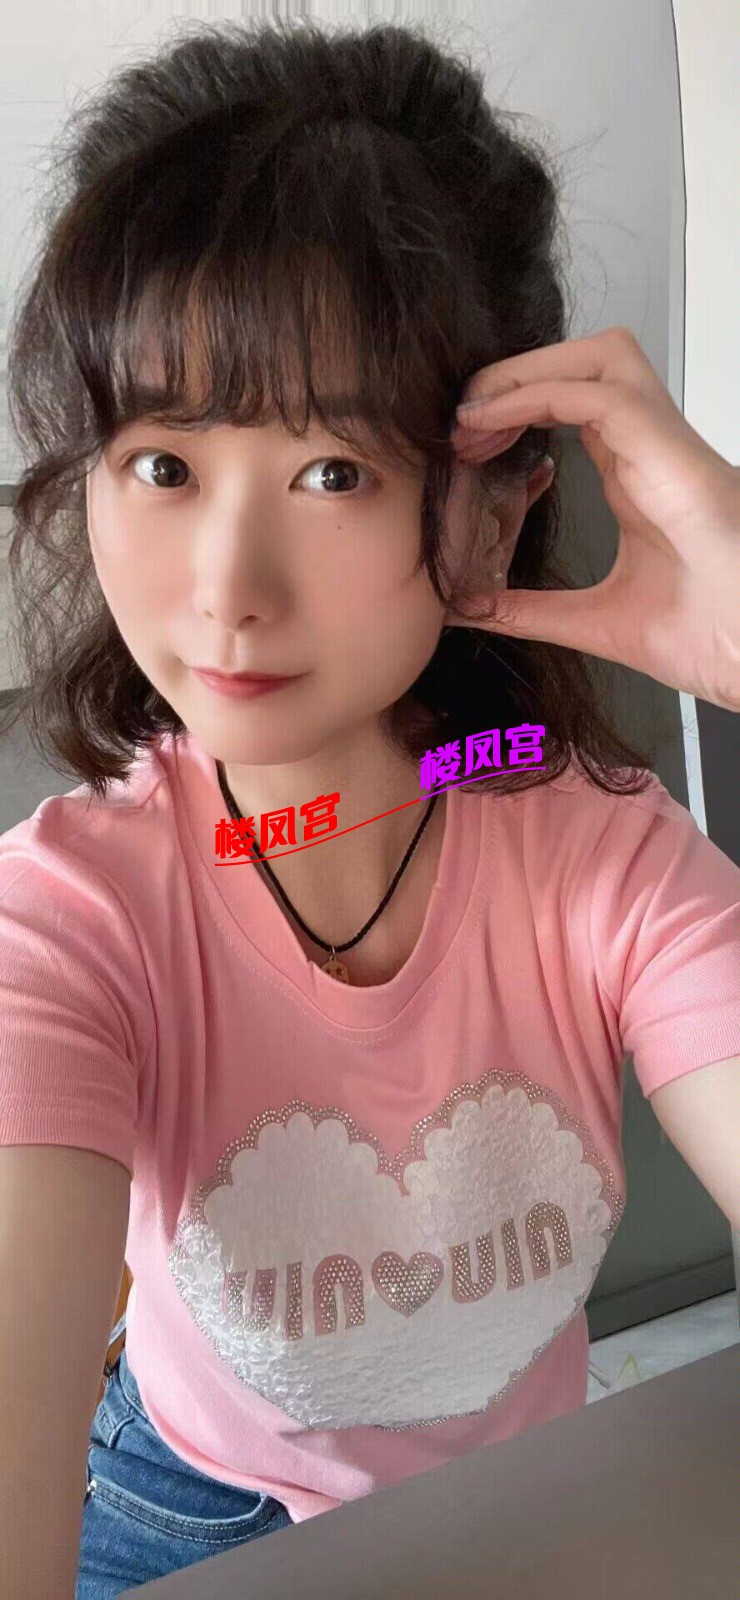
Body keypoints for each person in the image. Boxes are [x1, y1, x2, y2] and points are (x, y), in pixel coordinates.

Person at [1, 16, 738, 1600]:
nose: (227, 590)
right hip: (171, 1516)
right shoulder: (63, 919)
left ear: (498, 498)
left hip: (527, 1514)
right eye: (162, 463)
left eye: (334, 470)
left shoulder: (598, 855)